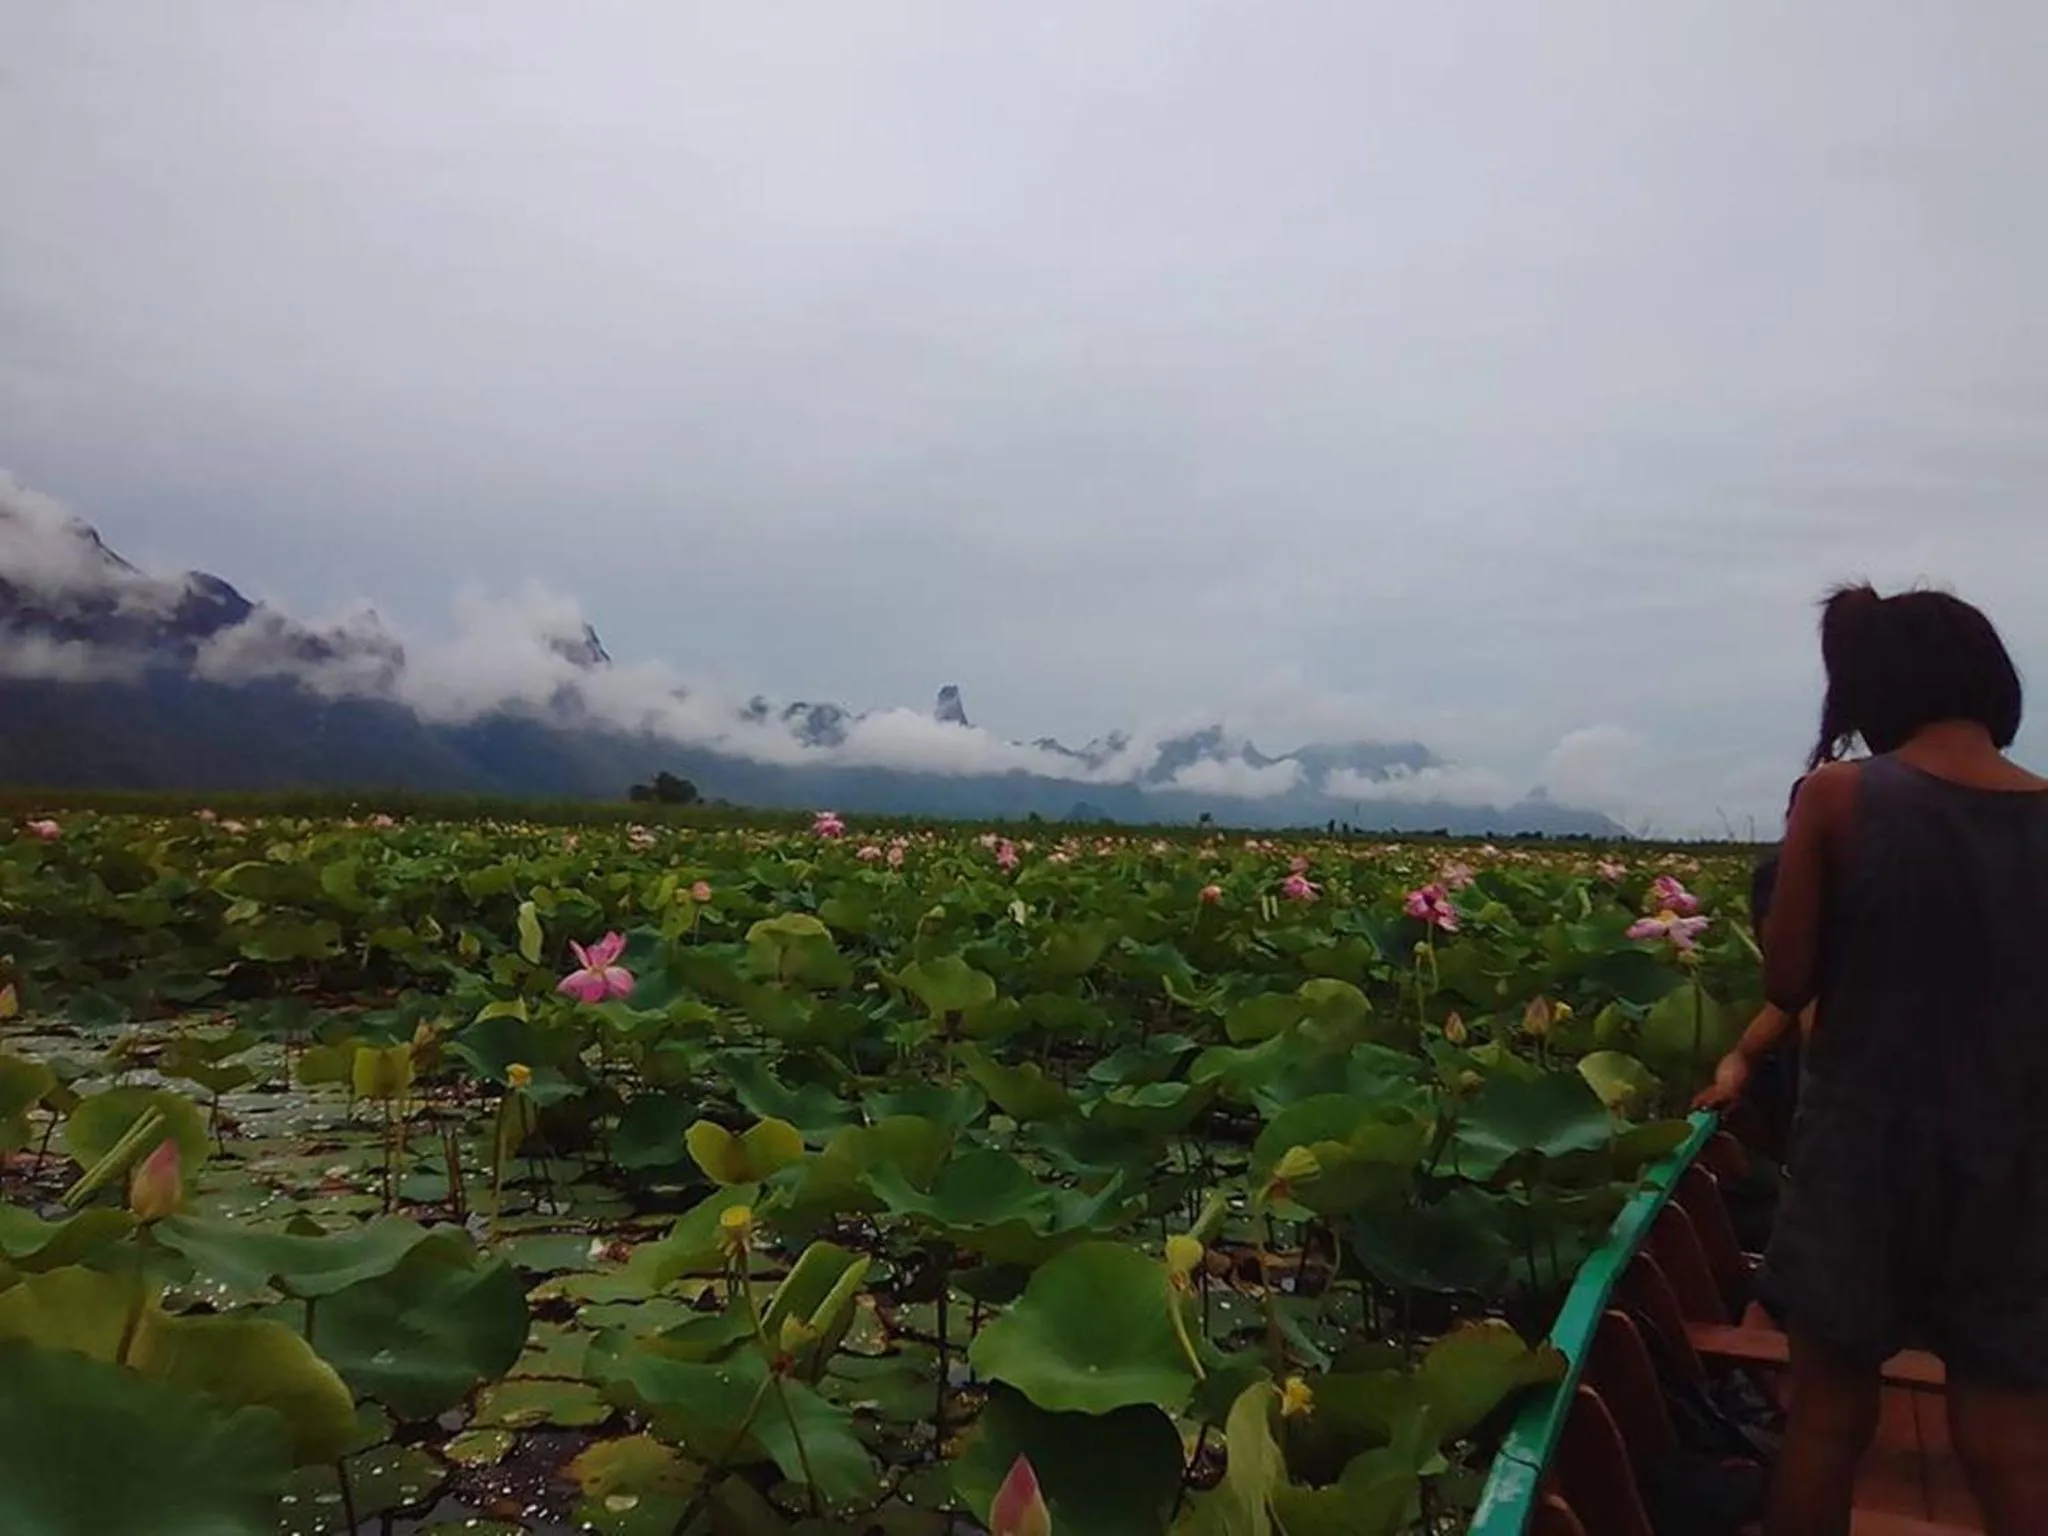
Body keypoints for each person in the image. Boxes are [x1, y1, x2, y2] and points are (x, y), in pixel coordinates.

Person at [1756, 583, 2048, 1536]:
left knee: (1829, 1421)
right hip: (2022, 1154)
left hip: (1862, 1150)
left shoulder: (1840, 797)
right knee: (2007, 1434)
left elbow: (1789, 978)